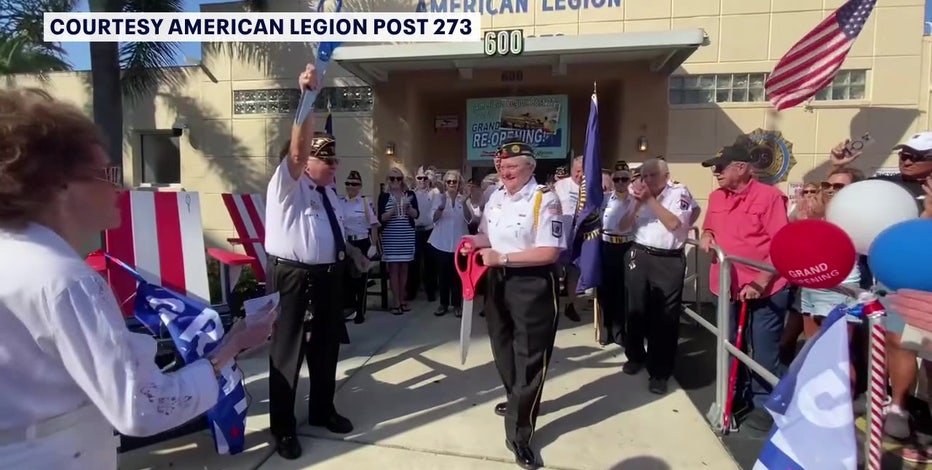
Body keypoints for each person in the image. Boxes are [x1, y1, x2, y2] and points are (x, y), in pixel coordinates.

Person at [0, 88, 275, 468]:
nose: (117, 186)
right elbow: (141, 407)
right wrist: (231, 346)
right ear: (58, 183)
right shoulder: (64, 280)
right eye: (104, 173)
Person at [264, 65, 355, 460]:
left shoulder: (327, 193)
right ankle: (283, 428)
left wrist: (353, 256)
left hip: (328, 277)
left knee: (325, 348)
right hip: (293, 277)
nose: (336, 168)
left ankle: (321, 409)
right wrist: (308, 98)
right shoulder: (288, 185)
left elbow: (334, 234)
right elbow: (298, 149)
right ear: (307, 162)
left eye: (335, 162)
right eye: (329, 162)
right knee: (287, 353)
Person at [462, 141, 566, 470]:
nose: (505, 172)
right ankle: (516, 399)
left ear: (530, 168)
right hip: (497, 282)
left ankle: (520, 435)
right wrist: (472, 244)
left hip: (532, 284)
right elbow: (489, 237)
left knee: (531, 357)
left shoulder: (545, 199)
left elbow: (550, 252)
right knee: (502, 347)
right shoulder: (496, 197)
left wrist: (502, 257)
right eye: (501, 167)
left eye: (513, 167)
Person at [828, 133, 932, 440]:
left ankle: (908, 409)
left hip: (926, 280)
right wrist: (838, 165)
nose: (906, 160)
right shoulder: (887, 181)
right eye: (904, 154)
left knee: (928, 355)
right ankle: (892, 404)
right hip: (893, 276)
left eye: (916, 155)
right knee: (894, 342)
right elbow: (846, 204)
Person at [700, 139, 790, 431]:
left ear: (741, 167)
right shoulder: (716, 197)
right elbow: (710, 226)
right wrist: (707, 236)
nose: (716, 172)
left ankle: (765, 403)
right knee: (726, 346)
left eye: (720, 167)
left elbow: (781, 244)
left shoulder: (770, 198)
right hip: (725, 284)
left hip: (766, 287)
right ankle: (732, 397)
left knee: (763, 350)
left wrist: (762, 281)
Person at [619, 158, 698, 394]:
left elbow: (675, 224)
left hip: (668, 259)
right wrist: (635, 205)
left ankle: (660, 372)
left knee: (664, 318)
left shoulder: (679, 192)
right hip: (640, 254)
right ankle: (635, 356)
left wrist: (650, 201)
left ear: (666, 176)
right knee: (635, 309)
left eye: (653, 175)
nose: (647, 180)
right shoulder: (638, 195)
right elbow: (623, 226)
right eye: (644, 175)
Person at [597, 160, 636, 347]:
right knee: (605, 290)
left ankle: (620, 332)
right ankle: (605, 331)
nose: (620, 182)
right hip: (607, 247)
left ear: (629, 180)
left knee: (623, 291)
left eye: (624, 179)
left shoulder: (636, 201)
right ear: (612, 180)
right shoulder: (603, 200)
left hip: (628, 247)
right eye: (617, 179)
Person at [428, 170, 471, 316]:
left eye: (455, 181)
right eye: (449, 181)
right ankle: (443, 304)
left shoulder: (463, 199)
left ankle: (457, 305)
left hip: (459, 245)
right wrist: (441, 206)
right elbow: (432, 219)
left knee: (458, 276)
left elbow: (469, 219)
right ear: (445, 184)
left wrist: (465, 204)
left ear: (459, 184)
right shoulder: (439, 198)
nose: (452, 184)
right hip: (441, 243)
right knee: (443, 276)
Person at [378, 167, 419, 314]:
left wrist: (408, 209)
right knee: (393, 269)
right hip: (391, 236)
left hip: (406, 236)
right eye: (392, 178)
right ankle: (396, 301)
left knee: (404, 269)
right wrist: (392, 211)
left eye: (398, 178)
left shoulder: (410, 194)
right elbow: (380, 218)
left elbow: (416, 215)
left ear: (402, 180)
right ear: (388, 180)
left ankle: (403, 299)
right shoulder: (384, 196)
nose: (395, 181)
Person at [339, 170, 379, 324]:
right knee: (347, 278)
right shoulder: (341, 202)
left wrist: (374, 245)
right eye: (348, 184)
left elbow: (374, 224)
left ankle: (360, 311)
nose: (351, 186)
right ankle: (349, 310)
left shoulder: (364, 202)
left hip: (362, 242)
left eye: (354, 184)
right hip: (347, 243)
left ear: (360, 186)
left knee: (361, 279)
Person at [553, 155, 583, 322]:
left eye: (583, 172)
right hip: (560, 236)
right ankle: (554, 303)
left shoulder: (591, 187)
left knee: (574, 273)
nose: (580, 175)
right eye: (577, 171)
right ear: (572, 169)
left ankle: (571, 305)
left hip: (579, 237)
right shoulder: (561, 186)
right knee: (556, 271)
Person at [407, 166, 439, 302]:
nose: (422, 181)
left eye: (425, 178)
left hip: (429, 230)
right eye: (419, 178)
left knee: (429, 263)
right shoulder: (411, 194)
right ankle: (411, 291)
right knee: (413, 263)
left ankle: (430, 292)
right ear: (416, 179)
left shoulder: (433, 193)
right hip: (414, 232)